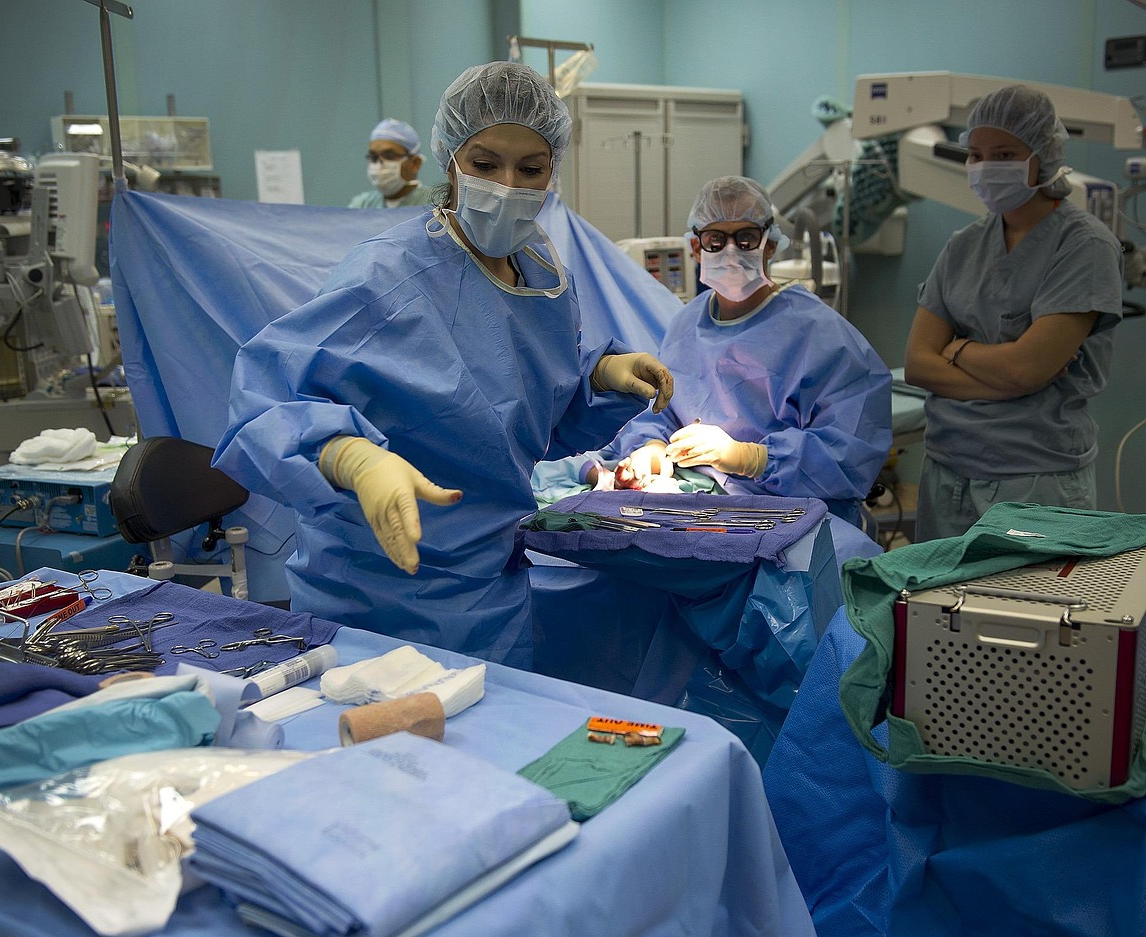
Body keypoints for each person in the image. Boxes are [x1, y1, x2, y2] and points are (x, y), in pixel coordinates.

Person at [215, 62, 673, 668]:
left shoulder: (538, 271)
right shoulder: (390, 276)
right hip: (378, 593)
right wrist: (351, 457)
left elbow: (523, 416)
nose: (508, 186)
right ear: (449, 160)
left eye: (530, 169)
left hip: (490, 583)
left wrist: (600, 376)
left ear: (552, 170)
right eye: (485, 165)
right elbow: (265, 400)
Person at [903, 85, 1123, 542]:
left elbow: (1026, 368)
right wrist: (1014, 374)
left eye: (1003, 153)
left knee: (1025, 611)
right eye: (976, 155)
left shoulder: (1084, 245)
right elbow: (919, 364)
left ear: (1042, 156)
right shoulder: (963, 246)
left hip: (1037, 476)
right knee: (937, 612)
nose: (985, 168)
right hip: (948, 468)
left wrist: (957, 348)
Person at [608, 176, 892, 526]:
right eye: (715, 239)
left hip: (799, 519)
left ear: (769, 245)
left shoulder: (820, 333)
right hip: (701, 505)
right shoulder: (687, 324)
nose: (730, 251)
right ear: (696, 248)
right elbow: (661, 410)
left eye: (746, 238)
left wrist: (751, 458)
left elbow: (853, 452)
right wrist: (651, 447)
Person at [347, 118, 432, 208]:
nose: (379, 165)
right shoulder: (362, 205)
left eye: (389, 156)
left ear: (415, 163)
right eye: (373, 157)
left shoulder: (436, 204)